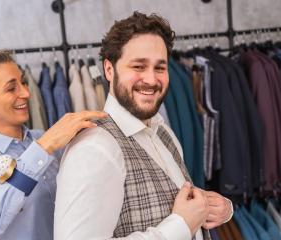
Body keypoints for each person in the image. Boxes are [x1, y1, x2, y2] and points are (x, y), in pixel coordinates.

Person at [54, 12, 233, 240]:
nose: (151, 79)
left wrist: (217, 208)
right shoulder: (94, 148)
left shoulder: (161, 130)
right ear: (109, 70)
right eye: (138, 66)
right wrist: (180, 225)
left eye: (160, 68)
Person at [0, 51, 107, 240]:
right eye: (11, 88)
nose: (26, 93)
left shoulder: (49, 141)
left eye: (22, 82)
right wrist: (43, 148)